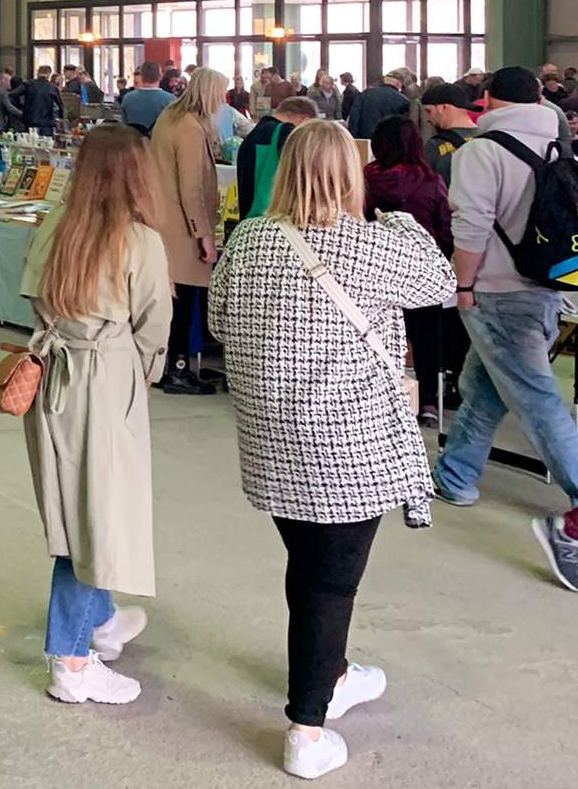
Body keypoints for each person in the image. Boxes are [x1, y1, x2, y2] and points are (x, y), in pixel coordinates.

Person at [208, 118, 453, 780]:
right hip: (346, 440)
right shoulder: (373, 243)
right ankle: (307, 729)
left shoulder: (250, 239)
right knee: (330, 583)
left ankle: (335, 672)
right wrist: (400, 222)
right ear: (351, 175)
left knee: (310, 565)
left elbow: (218, 321)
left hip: (269, 436)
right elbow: (439, 284)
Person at [16, 124, 169, 705]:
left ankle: (100, 620)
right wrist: (143, 376)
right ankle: (72, 662)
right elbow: (154, 328)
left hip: (53, 370)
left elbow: (29, 292)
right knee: (95, 520)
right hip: (105, 378)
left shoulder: (55, 223)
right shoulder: (139, 241)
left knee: (72, 505)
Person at [433, 67, 578, 591]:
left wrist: (461, 287)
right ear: (540, 96)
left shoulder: (481, 151)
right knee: (485, 387)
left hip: (495, 289)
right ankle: (456, 477)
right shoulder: (561, 142)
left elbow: (469, 228)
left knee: (537, 400)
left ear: (486, 99)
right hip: (548, 285)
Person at [364, 114, 453, 426]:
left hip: (374, 270)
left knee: (375, 336)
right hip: (420, 271)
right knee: (427, 337)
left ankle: (382, 397)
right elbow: (445, 228)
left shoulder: (365, 178)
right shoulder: (430, 182)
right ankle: (428, 402)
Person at [151, 67, 225, 395]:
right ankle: (179, 370)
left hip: (164, 221)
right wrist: (204, 235)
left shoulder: (169, 116)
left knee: (171, 299)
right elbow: (191, 188)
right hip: (182, 228)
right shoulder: (191, 129)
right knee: (185, 300)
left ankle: (167, 365)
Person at [236, 97, 319, 220]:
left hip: (250, 217)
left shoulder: (252, 135)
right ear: (305, 120)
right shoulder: (286, 133)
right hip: (274, 216)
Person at [419, 82, 478, 184]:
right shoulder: (489, 139)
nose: (427, 118)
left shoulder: (433, 147)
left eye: (429, 111)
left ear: (443, 108)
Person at [345, 70, 411, 140]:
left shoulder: (366, 93)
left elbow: (354, 117)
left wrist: (354, 137)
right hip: (389, 142)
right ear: (399, 84)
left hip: (365, 139)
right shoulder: (403, 101)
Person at [119, 61, 173, 135]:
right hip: (160, 143)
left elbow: (124, 124)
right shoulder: (170, 99)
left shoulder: (128, 98)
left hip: (135, 142)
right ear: (161, 76)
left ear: (142, 77)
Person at [22, 66, 62, 135]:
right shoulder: (52, 87)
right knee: (46, 143)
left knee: (31, 143)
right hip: (47, 122)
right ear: (49, 74)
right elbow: (60, 104)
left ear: (38, 72)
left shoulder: (29, 84)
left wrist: (22, 108)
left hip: (30, 120)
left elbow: (14, 94)